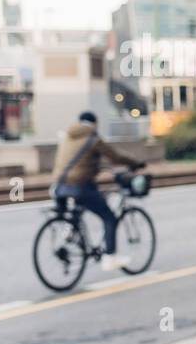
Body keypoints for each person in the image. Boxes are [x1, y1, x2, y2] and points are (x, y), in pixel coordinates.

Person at [50, 111, 145, 271]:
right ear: (94, 123)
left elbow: (77, 162)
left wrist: (96, 167)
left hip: (58, 186)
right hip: (80, 186)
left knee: (78, 209)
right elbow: (115, 156)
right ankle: (110, 258)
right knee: (109, 217)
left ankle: (68, 233)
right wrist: (135, 163)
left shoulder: (67, 137)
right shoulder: (93, 138)